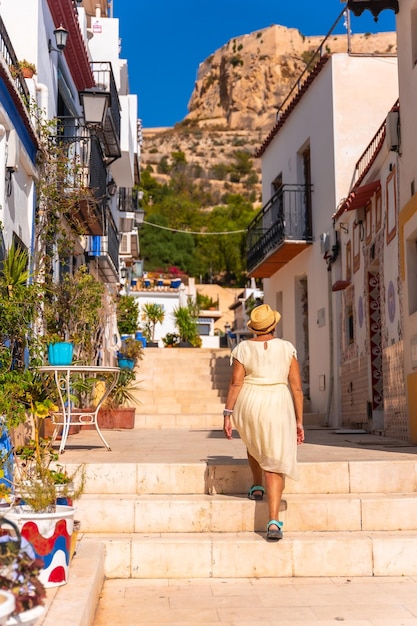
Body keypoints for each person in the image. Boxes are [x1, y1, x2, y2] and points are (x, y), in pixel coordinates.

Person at [223, 304, 304, 541]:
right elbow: (296, 387)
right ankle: (273, 521)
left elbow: (235, 383)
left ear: (254, 329)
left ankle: (257, 484)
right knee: (274, 458)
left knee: (255, 440)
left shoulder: (242, 348)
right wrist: (299, 420)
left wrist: (228, 413)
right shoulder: (287, 348)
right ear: (274, 325)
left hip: (250, 401)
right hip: (277, 401)